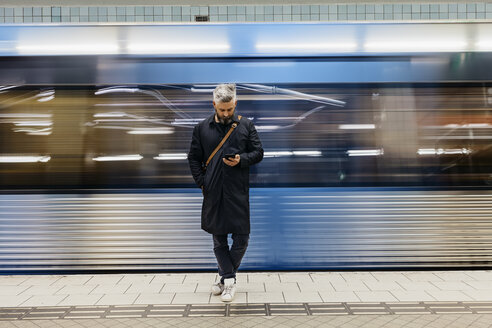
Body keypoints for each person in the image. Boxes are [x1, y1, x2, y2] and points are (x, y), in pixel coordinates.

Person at [187, 83, 264, 302]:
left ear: (235, 104)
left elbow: (259, 152)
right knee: (218, 240)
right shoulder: (201, 128)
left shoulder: (246, 126)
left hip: (238, 192)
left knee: (242, 239)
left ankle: (223, 276)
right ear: (214, 105)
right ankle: (229, 282)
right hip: (213, 192)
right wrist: (203, 183)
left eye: (230, 109)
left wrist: (242, 160)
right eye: (222, 110)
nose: (226, 113)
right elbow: (193, 158)